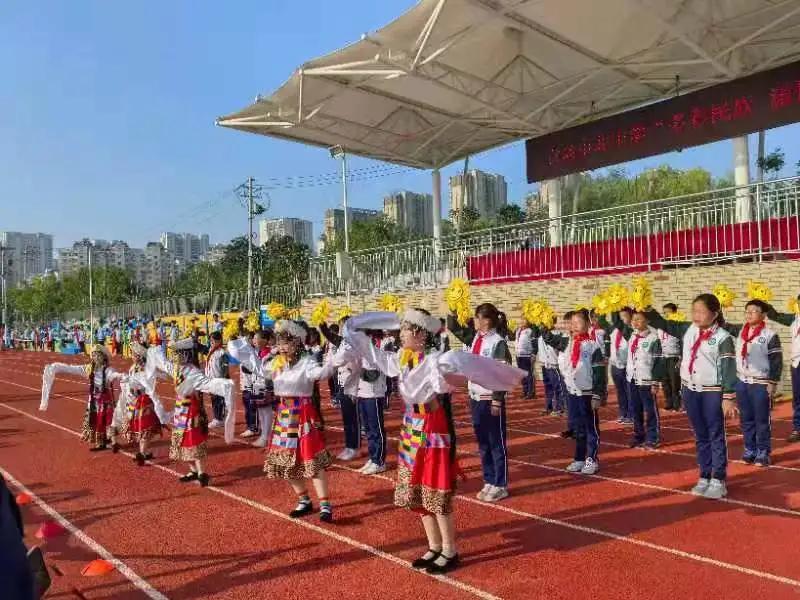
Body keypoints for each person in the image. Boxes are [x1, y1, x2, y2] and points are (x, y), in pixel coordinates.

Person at [341, 308, 523, 573]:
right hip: (411, 426)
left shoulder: (436, 362)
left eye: (403, 330)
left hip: (433, 427)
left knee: (435, 488)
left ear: (417, 333)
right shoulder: (400, 360)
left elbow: (470, 365)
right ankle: (433, 546)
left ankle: (450, 550)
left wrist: (505, 379)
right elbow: (359, 340)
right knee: (416, 489)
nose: (399, 335)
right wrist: (368, 321)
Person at [233, 319, 337, 521]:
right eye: (279, 343)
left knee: (311, 461)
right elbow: (257, 368)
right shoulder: (275, 363)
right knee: (284, 460)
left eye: (285, 343)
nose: (281, 347)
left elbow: (322, 372)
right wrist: (246, 345)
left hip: (303, 413)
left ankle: (325, 505)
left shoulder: (307, 362)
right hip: (283, 414)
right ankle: (304, 500)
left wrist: (334, 358)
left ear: (297, 342)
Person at [647, 294, 737, 499]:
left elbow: (729, 369)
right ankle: (704, 475)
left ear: (714, 314)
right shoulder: (688, 329)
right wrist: (645, 307)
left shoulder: (723, 338)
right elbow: (661, 323)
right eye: (694, 310)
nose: (696, 315)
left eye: (701, 311)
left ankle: (718, 478)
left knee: (715, 434)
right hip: (690, 390)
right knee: (700, 435)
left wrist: (728, 397)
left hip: (712, 392)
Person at [147, 338, 235, 486]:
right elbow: (162, 362)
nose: (174, 357)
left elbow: (207, 384)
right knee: (180, 442)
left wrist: (225, 385)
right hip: (180, 411)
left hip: (191, 411)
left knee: (193, 441)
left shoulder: (193, 371)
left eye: (178, 354)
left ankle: (201, 473)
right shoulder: (174, 368)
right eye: (174, 354)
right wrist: (152, 351)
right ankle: (193, 470)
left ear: (186, 354)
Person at [448, 303, 513, 502]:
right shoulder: (477, 337)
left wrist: (497, 400)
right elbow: (454, 327)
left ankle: (500, 484)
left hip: (490, 398)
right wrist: (453, 306)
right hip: (475, 397)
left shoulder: (497, 342)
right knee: (483, 442)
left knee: (496, 442)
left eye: (476, 318)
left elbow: (502, 373)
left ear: (486, 320)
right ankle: (489, 479)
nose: (473, 321)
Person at [539, 309, 605, 474]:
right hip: (572, 392)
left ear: (588, 324)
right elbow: (548, 338)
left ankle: (592, 459)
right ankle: (579, 458)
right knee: (577, 427)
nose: (574, 326)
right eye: (571, 323)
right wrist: (543, 322)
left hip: (587, 394)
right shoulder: (566, 342)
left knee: (590, 427)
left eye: (578, 322)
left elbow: (599, 374)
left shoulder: (592, 346)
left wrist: (597, 395)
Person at [722, 300, 782, 467]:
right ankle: (750, 449)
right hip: (742, 382)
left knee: (761, 420)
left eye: (754, 311)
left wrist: (772, 382)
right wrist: (719, 305)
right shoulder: (740, 330)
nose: (749, 314)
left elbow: (776, 361)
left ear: (763, 315)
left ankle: (763, 452)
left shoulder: (769, 335)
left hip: (760, 383)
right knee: (746, 420)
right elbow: (721, 324)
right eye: (747, 311)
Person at [41, 345, 125, 451]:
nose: (95, 358)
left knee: (109, 420)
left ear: (103, 357)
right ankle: (100, 443)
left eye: (98, 355)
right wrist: (56, 367)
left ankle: (114, 442)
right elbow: (71, 368)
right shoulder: (89, 368)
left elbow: (113, 375)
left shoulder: (108, 369)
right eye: (94, 355)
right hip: (94, 400)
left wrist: (121, 376)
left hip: (106, 399)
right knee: (96, 420)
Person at [613, 310, 664, 448]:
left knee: (650, 410)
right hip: (632, 379)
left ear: (647, 321)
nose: (635, 322)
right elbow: (617, 323)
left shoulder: (653, 338)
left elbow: (658, 362)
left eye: (639, 319)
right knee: (636, 409)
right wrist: (614, 305)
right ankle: (638, 435)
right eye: (633, 319)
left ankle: (653, 437)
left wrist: (655, 381)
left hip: (646, 380)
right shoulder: (631, 335)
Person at [114, 341, 168, 465]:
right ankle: (143, 452)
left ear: (139, 356)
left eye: (134, 354)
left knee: (145, 428)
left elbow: (155, 379)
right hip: (134, 401)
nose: (132, 356)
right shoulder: (133, 367)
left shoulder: (147, 369)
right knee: (140, 428)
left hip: (144, 401)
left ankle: (142, 454)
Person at [321, 319, 362, 462]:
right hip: (343, 383)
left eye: (345, 327)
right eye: (341, 327)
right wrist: (321, 324)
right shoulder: (344, 341)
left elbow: (340, 359)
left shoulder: (355, 343)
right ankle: (349, 446)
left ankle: (354, 447)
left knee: (352, 418)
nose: (342, 330)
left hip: (353, 385)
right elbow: (332, 337)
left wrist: (323, 369)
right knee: (346, 418)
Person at [765, 299, 800, 442]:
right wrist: (764, 302)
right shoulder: (794, 319)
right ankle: (798, 428)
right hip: (797, 363)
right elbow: (775, 316)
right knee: (798, 398)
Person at [605, 307, 633, 425]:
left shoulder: (630, 331)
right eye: (620, 317)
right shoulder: (614, 330)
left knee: (629, 392)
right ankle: (623, 413)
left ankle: (632, 415)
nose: (622, 319)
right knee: (620, 391)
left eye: (625, 316)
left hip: (627, 365)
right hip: (615, 364)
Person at [538, 313, 565, 416]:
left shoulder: (557, 334)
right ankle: (549, 406)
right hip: (545, 364)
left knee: (558, 387)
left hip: (554, 365)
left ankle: (559, 407)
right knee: (548, 387)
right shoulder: (541, 335)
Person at [659, 303, 684, 411]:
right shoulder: (661, 327)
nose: (666, 315)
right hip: (664, 357)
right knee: (665, 382)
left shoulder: (678, 326)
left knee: (675, 383)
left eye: (668, 313)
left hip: (674, 357)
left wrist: (681, 358)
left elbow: (683, 343)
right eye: (664, 313)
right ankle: (669, 403)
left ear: (674, 313)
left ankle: (677, 404)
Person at [205, 331, 230, 429]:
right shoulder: (211, 350)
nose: (211, 343)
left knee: (219, 400)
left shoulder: (222, 353)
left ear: (219, 341)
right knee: (214, 399)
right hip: (211, 380)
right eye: (210, 341)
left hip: (219, 380)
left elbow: (225, 369)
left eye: (213, 341)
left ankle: (219, 419)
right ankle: (218, 417)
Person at [515, 318, 537, 400]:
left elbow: (535, 343)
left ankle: (531, 392)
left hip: (527, 355)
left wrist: (534, 354)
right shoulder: (518, 330)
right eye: (521, 319)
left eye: (524, 320)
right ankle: (525, 391)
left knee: (528, 375)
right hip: (519, 355)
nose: (522, 321)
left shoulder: (530, 331)